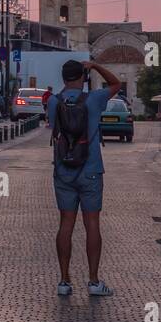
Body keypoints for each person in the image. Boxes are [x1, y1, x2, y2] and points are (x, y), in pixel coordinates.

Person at [49, 58, 122, 298]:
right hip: (90, 170)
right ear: (82, 77)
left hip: (63, 171)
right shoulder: (93, 99)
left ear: (63, 78)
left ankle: (63, 280)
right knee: (92, 224)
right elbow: (116, 84)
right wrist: (96, 66)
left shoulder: (52, 102)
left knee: (65, 224)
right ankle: (93, 281)